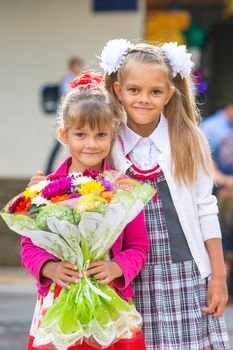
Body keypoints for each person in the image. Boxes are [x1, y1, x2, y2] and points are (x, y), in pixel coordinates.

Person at [31, 40, 230, 349]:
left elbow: (206, 209)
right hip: (126, 278)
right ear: (118, 89)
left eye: (155, 92)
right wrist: (43, 189)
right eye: (134, 90)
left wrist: (218, 276)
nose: (144, 100)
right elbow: (76, 186)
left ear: (169, 93)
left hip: (185, 275)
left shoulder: (190, 140)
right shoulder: (107, 140)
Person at [23, 72, 149, 350]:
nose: (91, 144)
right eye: (81, 134)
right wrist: (49, 268)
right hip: (59, 297)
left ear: (113, 135)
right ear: (63, 134)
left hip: (108, 299)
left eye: (101, 134)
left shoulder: (124, 190)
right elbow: (28, 246)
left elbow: (139, 247)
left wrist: (116, 267)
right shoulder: (44, 189)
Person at [201, 101, 233, 298]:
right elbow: (205, 163)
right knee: (224, 246)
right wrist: (225, 180)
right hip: (220, 197)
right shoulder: (211, 126)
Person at [45, 57, 84, 175]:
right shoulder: (67, 80)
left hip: (70, 117)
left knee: (64, 144)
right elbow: (69, 97)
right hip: (65, 118)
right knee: (60, 144)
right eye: (77, 66)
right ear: (72, 67)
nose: (79, 69)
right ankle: (51, 171)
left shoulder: (71, 79)